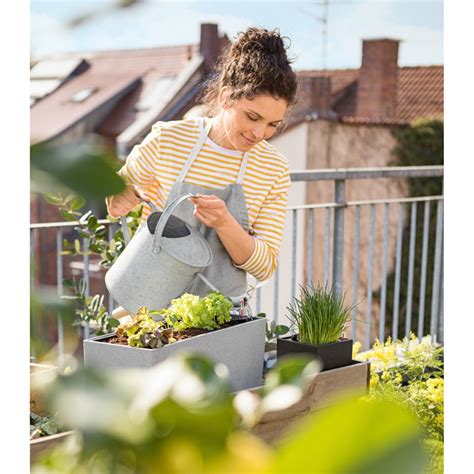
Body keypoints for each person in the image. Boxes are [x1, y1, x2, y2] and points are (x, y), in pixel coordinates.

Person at [106, 27, 298, 301]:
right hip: (148, 307)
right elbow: (114, 205)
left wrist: (225, 223)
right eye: (252, 117)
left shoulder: (273, 168)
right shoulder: (168, 139)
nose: (259, 133)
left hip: (222, 317)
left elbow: (265, 266)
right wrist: (121, 194)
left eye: (272, 125)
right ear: (225, 97)